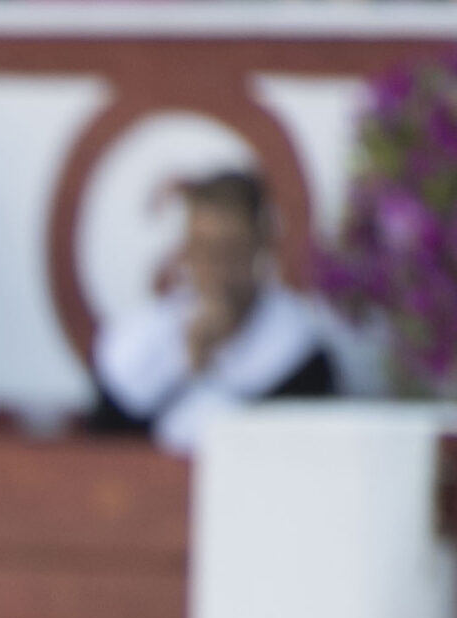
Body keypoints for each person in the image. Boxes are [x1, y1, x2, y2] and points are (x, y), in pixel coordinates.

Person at [89, 169, 337, 455]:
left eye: (231, 250)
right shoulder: (141, 339)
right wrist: (186, 362)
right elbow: (106, 446)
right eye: (203, 249)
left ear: (261, 245)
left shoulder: (297, 350)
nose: (216, 266)